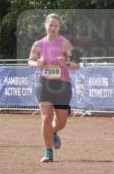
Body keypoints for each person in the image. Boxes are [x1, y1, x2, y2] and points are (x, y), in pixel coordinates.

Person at [28, 13, 80, 163]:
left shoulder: (65, 43)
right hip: (44, 84)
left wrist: (66, 64)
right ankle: (48, 152)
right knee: (46, 118)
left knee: (62, 121)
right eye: (50, 25)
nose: (53, 28)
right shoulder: (38, 44)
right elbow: (30, 61)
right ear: (45, 26)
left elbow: (77, 65)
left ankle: (54, 131)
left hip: (62, 85)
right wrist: (36, 63)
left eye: (56, 26)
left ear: (59, 27)